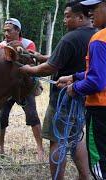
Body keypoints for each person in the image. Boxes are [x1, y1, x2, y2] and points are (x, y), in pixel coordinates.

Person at [20, 1, 96, 179]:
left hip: (64, 98)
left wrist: (27, 70)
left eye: (68, 16)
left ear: (80, 17)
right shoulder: (96, 35)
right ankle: (85, 176)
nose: (64, 20)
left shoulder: (69, 38)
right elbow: (59, 58)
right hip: (84, 96)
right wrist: (40, 57)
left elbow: (50, 68)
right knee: (76, 136)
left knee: (57, 139)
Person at [56, 0, 106, 179]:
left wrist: (75, 88)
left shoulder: (99, 39)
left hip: (100, 111)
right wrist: (75, 77)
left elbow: (96, 81)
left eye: (94, 8)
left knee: (99, 162)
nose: (90, 13)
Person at [0, 18, 45, 161]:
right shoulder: (1, 46)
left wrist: (22, 52)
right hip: (7, 89)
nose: (6, 33)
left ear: (18, 30)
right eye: (4, 30)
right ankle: (0, 149)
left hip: (25, 87)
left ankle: (40, 149)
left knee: (33, 116)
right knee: (0, 119)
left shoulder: (29, 44)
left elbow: (33, 62)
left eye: (9, 30)